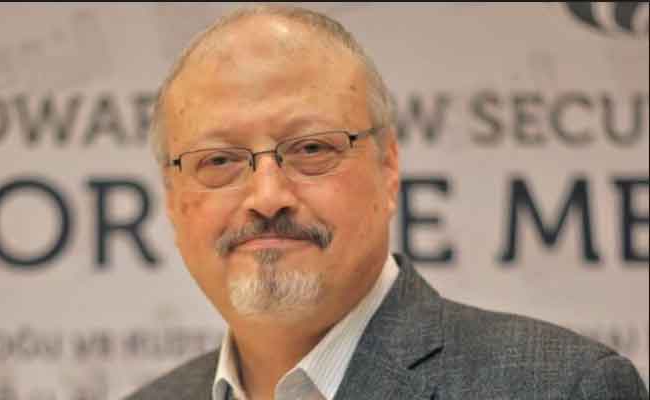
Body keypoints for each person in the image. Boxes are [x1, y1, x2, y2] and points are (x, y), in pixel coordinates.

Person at [125, 5, 648, 400]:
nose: (267, 197)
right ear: (171, 197)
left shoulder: (559, 387)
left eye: (311, 149)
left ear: (388, 166)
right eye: (218, 160)